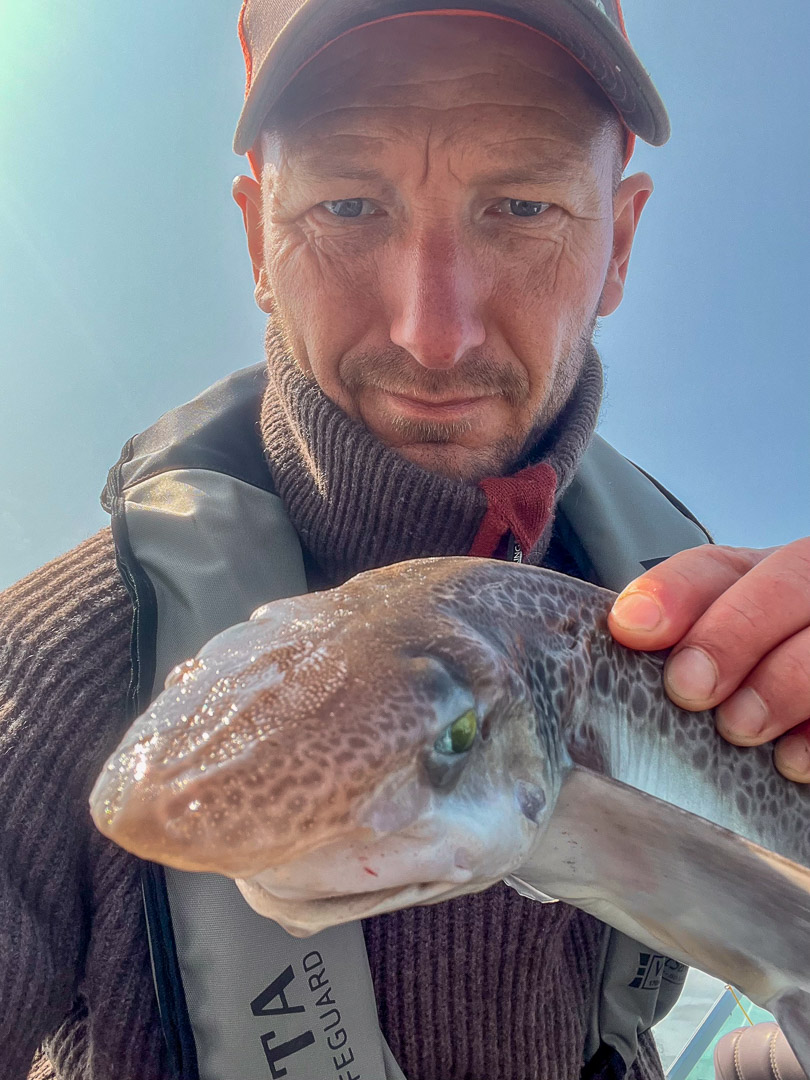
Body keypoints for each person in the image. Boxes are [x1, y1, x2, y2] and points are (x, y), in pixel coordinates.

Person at [1, 1, 808, 1078]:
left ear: (618, 243)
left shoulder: (705, 634)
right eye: (347, 202)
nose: (436, 331)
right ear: (257, 236)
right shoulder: (44, 666)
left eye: (520, 205)